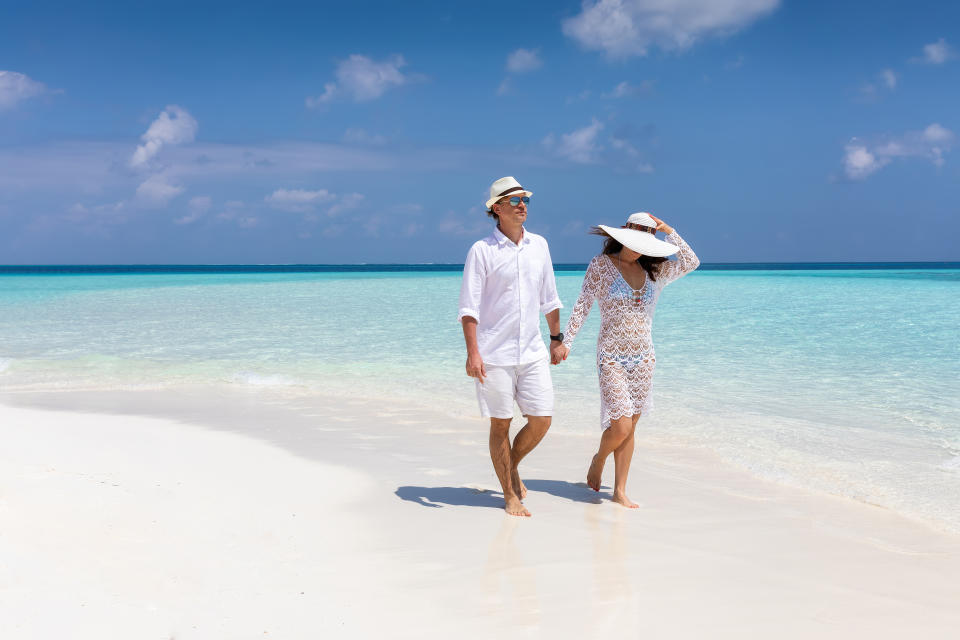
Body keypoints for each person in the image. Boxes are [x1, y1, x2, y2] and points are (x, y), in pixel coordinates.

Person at [551, 212, 699, 508]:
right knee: (620, 427)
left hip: (644, 359)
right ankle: (599, 458)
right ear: (621, 236)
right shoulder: (602, 266)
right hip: (611, 357)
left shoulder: (656, 271)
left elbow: (691, 261)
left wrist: (668, 229)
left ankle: (619, 490)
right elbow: (583, 304)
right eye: (635, 241)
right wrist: (565, 342)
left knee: (632, 427)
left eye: (645, 242)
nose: (638, 248)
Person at [458, 176, 564, 517]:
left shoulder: (541, 246)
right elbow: (469, 308)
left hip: (532, 352)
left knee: (542, 420)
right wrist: (473, 352)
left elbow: (550, 298)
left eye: (525, 200)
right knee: (500, 424)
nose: (522, 205)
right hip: (495, 355)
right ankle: (509, 495)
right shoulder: (481, 251)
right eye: (514, 200)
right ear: (496, 209)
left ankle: (510, 466)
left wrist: (556, 339)